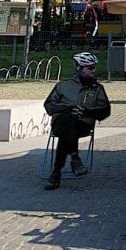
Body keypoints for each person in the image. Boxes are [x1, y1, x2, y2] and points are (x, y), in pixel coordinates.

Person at [43, 51, 111, 190]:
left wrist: (87, 111)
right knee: (68, 120)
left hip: (83, 125)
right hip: (61, 123)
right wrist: (67, 108)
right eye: (90, 68)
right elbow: (49, 105)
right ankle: (74, 158)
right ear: (79, 68)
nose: (93, 70)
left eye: (94, 67)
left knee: (66, 132)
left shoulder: (97, 88)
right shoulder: (63, 85)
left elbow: (105, 110)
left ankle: (56, 172)